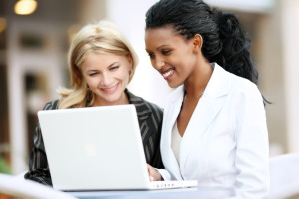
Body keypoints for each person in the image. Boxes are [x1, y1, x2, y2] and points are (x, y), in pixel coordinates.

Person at [144, 0, 269, 198]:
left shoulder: (240, 94)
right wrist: (160, 176)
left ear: (196, 43)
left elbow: (254, 187)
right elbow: (185, 175)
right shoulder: (172, 102)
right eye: (151, 55)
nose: (158, 63)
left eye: (165, 51)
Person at [24, 20, 163, 185]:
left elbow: (168, 177)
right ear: (81, 73)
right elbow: (36, 177)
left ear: (129, 62)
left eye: (113, 68)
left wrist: (157, 176)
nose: (107, 81)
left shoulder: (155, 116)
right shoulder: (56, 113)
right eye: (94, 73)